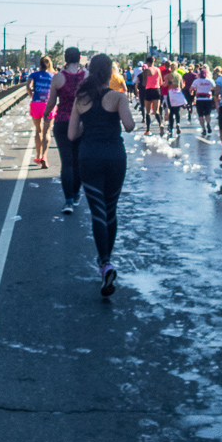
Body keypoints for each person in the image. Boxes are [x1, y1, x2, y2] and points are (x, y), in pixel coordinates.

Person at [68, 53, 135, 296]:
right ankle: (108, 262)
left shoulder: (81, 99)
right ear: (109, 74)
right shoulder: (118, 97)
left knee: (97, 211)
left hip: (89, 157)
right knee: (110, 209)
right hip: (115, 158)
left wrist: (89, 124)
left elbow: (72, 135)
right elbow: (129, 126)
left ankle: (104, 263)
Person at [44, 47, 86, 213]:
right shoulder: (87, 76)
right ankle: (75, 194)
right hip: (82, 123)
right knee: (78, 161)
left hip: (62, 122)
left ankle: (68, 201)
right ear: (80, 58)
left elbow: (52, 101)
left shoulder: (58, 77)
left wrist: (45, 115)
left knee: (67, 162)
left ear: (65, 58)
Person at [27, 56, 56, 167]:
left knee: (38, 130)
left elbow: (28, 87)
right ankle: (44, 156)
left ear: (39, 64)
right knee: (46, 132)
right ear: (49, 64)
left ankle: (38, 156)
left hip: (36, 104)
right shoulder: (53, 76)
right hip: (48, 104)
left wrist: (32, 95)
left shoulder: (33, 75)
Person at [141, 55, 163, 136]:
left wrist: (144, 73)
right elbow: (161, 82)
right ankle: (160, 124)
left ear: (147, 62)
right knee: (156, 111)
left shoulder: (147, 71)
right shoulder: (158, 70)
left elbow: (144, 83)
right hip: (157, 90)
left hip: (148, 90)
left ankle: (148, 130)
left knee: (148, 112)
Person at [190, 68, 216, 136]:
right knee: (208, 114)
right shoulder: (210, 80)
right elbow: (214, 88)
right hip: (208, 99)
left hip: (199, 99)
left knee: (200, 115)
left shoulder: (196, 81)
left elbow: (191, 89)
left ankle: (204, 129)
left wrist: (192, 92)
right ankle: (208, 124)